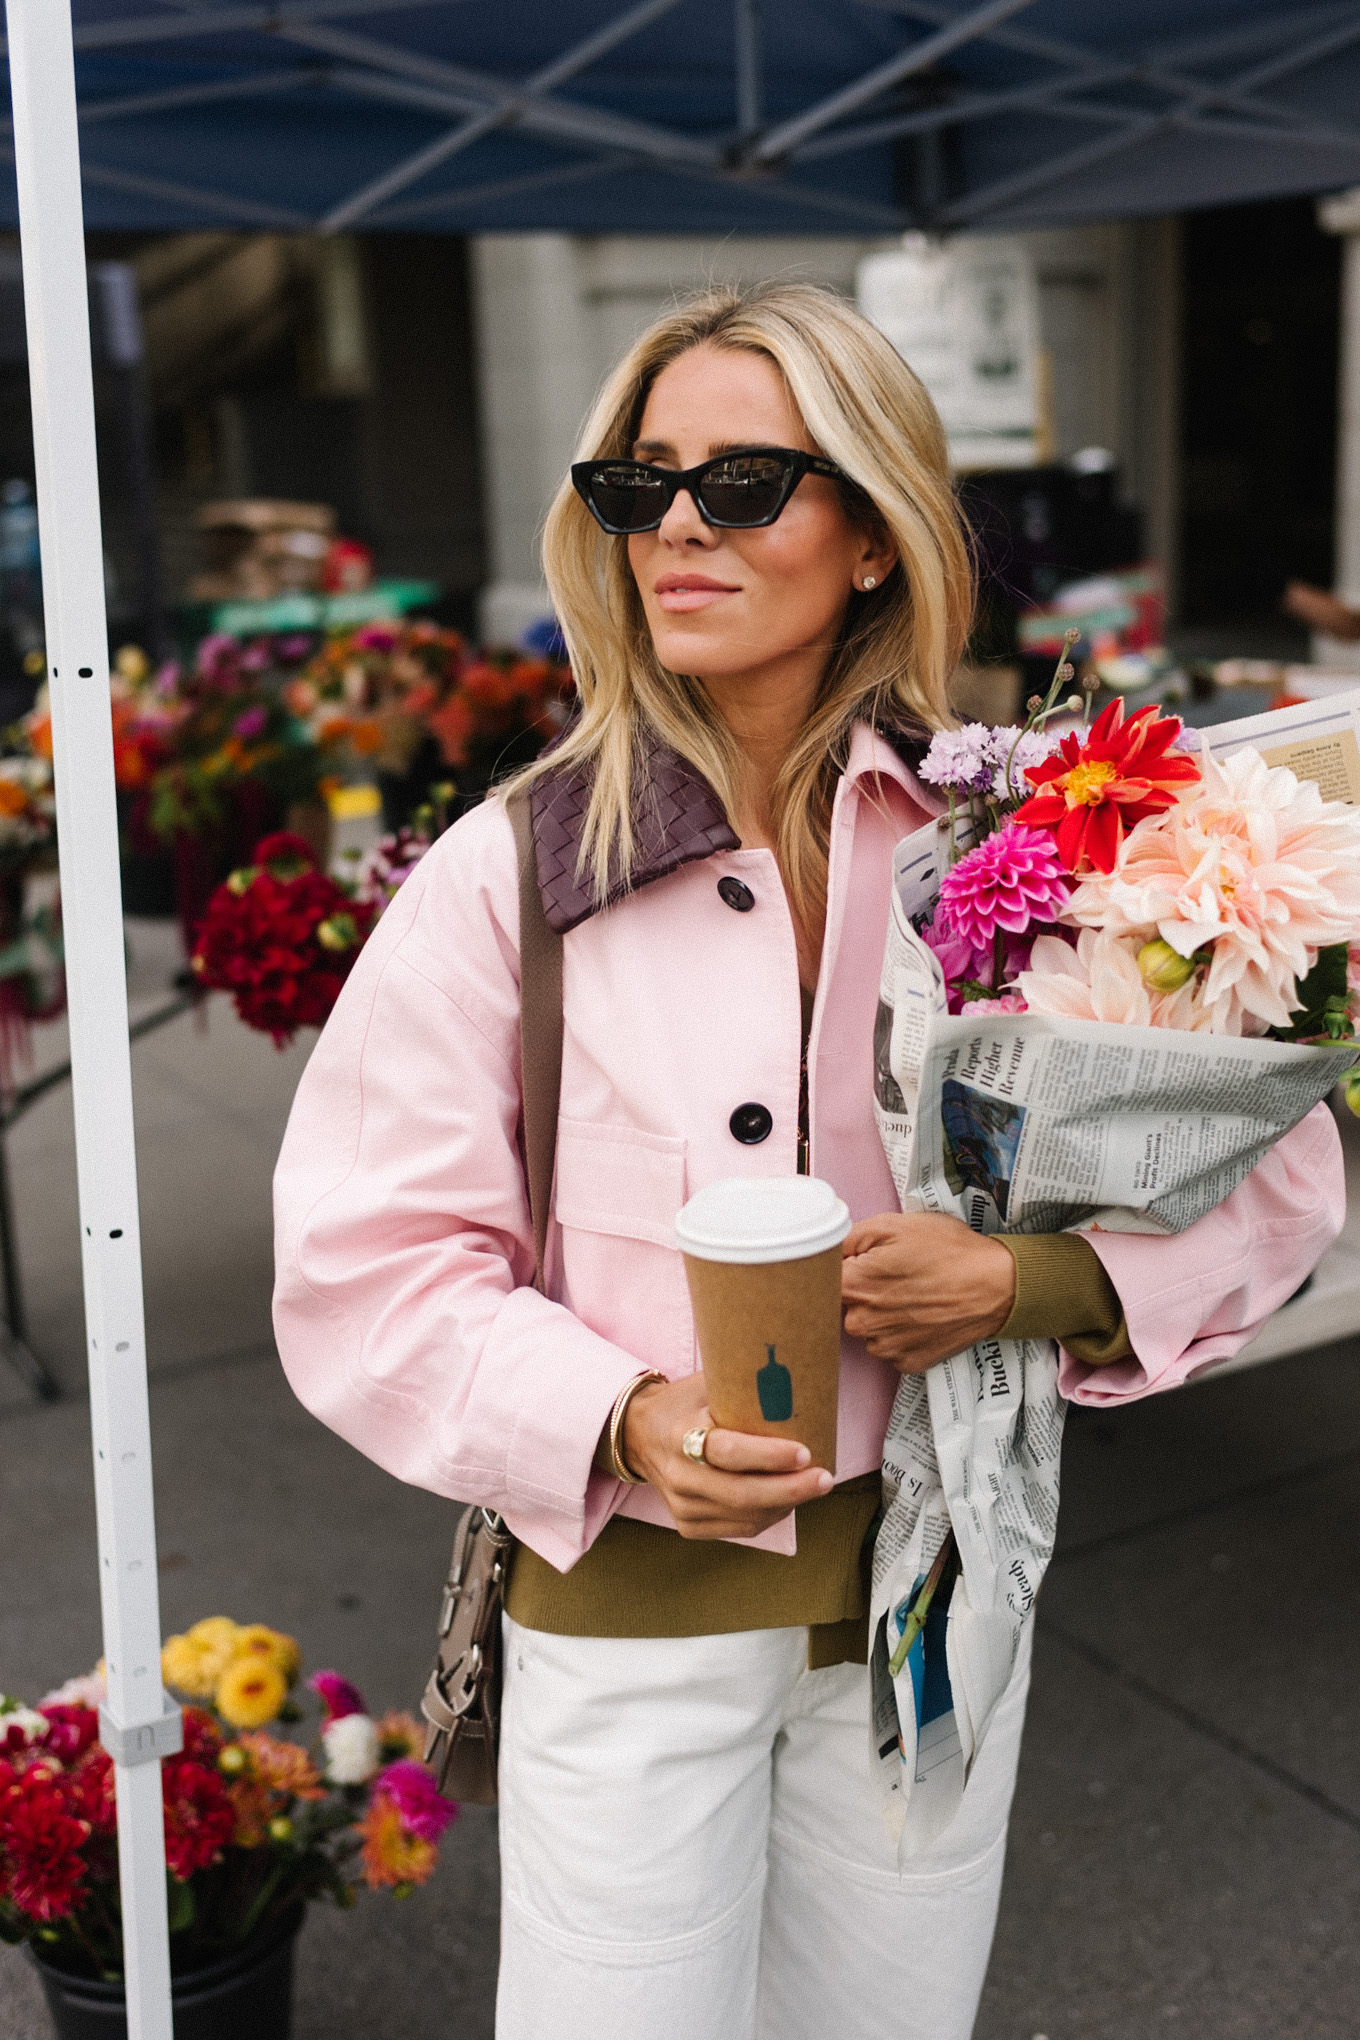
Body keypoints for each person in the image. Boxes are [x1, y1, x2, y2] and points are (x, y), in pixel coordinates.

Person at [273, 284, 1343, 2040]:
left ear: (871, 533)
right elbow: (365, 1266)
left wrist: (1038, 1282)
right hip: (628, 1612)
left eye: (747, 480)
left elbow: (1280, 1162)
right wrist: (622, 1418)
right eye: (641, 485)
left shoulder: (1026, 849)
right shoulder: (513, 875)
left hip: (937, 1597)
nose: (680, 523)